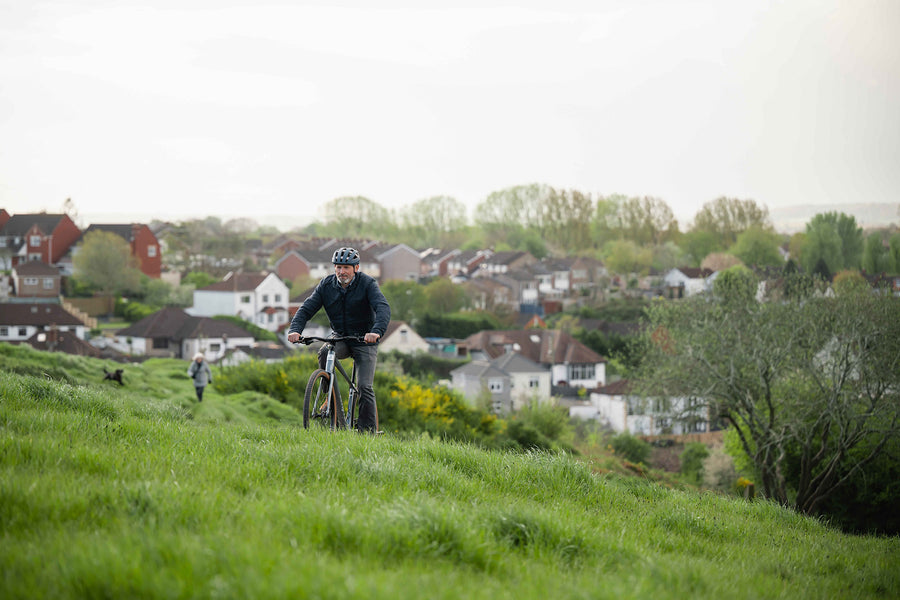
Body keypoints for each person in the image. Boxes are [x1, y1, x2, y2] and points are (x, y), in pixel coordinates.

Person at [287, 247, 391, 432]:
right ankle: (329, 398)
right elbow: (306, 309)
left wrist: (376, 332)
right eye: (338, 267)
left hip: (364, 340)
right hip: (340, 338)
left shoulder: (368, 284)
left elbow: (382, 307)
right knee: (326, 351)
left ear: (356, 268)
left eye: (346, 268)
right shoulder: (326, 285)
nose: (341, 272)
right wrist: (295, 329)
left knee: (364, 387)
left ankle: (368, 433)